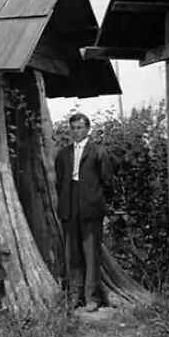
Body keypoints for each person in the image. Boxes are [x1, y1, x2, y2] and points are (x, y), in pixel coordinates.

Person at [54, 113, 113, 312]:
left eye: (80, 127)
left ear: (88, 129)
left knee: (91, 254)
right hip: (70, 208)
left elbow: (107, 182)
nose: (76, 131)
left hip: (91, 208)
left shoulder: (98, 152)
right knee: (73, 254)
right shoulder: (63, 154)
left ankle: (91, 297)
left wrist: (100, 204)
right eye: (73, 128)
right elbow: (60, 181)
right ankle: (74, 295)